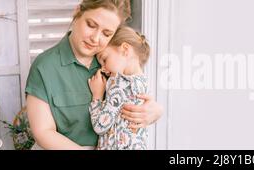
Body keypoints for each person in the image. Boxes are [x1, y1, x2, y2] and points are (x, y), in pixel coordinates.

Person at [25, 0, 162, 150]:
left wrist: (155, 111)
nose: (95, 38)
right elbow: (43, 132)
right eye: (91, 25)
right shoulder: (45, 66)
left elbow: (134, 96)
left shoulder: (114, 63)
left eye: (106, 33)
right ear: (77, 12)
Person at [88, 26, 150, 150]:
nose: (103, 68)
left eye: (104, 59)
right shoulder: (143, 83)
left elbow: (100, 126)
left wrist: (97, 96)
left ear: (125, 49)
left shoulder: (120, 84)